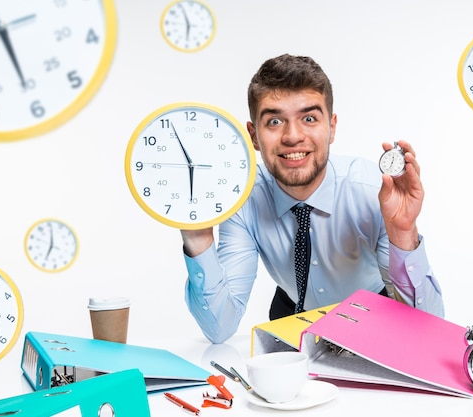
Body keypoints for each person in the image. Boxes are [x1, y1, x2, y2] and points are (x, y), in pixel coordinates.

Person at [180, 54, 444, 344]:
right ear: (254, 136)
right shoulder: (242, 199)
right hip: (292, 317)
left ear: (331, 126)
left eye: (309, 118)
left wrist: (403, 233)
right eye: (275, 121)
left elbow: (428, 331)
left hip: (374, 318)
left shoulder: (374, 191)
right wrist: (198, 238)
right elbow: (219, 329)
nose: (293, 137)